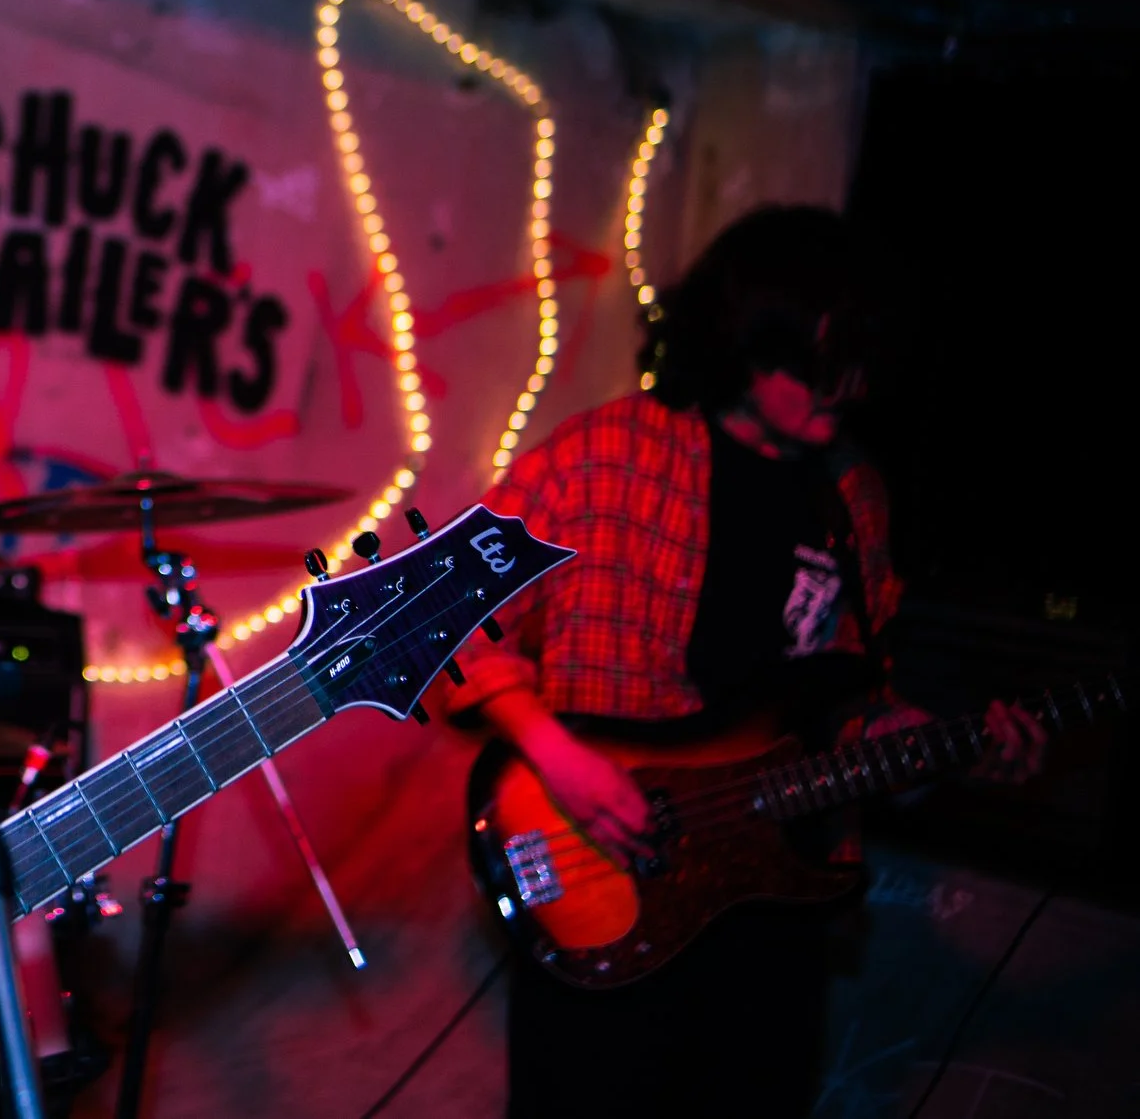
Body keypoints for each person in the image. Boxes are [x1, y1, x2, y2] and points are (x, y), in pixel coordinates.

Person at [442, 204, 1044, 1118]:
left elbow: (846, 699)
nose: (840, 388)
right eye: (812, 363)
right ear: (742, 340)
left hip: (777, 909)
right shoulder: (603, 453)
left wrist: (931, 743)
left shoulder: (855, 496)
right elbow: (443, 622)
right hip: (615, 884)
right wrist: (561, 758)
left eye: (858, 365)